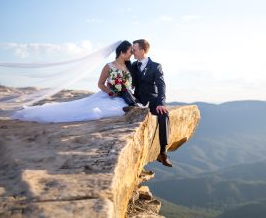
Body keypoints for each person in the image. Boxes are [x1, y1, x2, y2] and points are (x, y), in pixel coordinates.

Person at [11, 41, 135, 123]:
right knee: (84, 110)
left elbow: (130, 84)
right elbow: (100, 84)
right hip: (109, 96)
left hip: (124, 97)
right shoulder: (109, 66)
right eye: (130, 52)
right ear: (122, 52)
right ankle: (34, 112)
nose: (132, 54)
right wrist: (110, 92)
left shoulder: (129, 67)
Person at [130, 39, 172, 167]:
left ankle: (163, 153)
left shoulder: (155, 66)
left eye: (134, 50)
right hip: (136, 100)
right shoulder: (132, 65)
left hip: (153, 100)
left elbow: (161, 86)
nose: (132, 52)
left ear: (142, 51)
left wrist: (161, 103)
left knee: (164, 114)